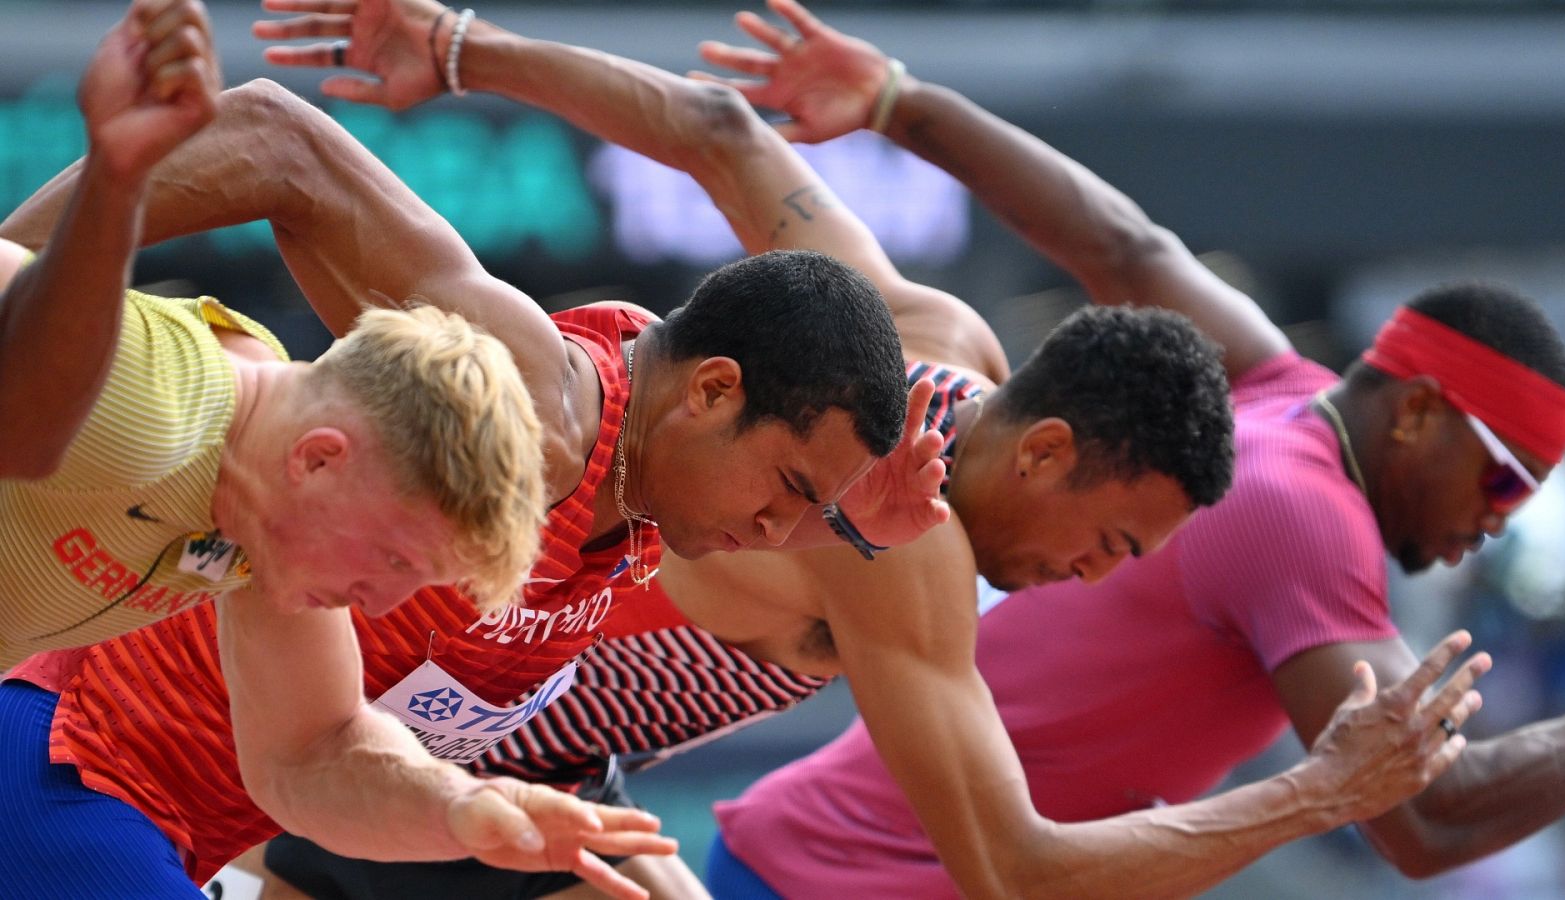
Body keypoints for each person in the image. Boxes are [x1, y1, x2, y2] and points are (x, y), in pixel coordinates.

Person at [192, 3, 1496, 898]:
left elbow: (724, 131)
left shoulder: (920, 326)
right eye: (1108, 541)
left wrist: (465, 43)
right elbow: (1013, 870)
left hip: (520, 750)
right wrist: (1316, 796)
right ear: (1042, 452)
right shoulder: (904, 532)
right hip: (395, 707)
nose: (1097, 577)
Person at [0, 6, 944, 899]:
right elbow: (275, 138)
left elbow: (317, 751)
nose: (778, 525)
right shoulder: (538, 392)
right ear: (710, 392)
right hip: (86, 754)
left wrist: (465, 809)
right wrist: (29, 285)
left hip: (221, 806)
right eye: (787, 488)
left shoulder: (645, 498)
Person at [679, 1, 1565, 896]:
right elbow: (1426, 820)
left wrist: (899, 103)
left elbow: (1120, 240)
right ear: (1420, 412)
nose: (1495, 522)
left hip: (810, 856)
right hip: (845, 882)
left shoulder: (1280, 394)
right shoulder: (1306, 519)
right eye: (1500, 479)